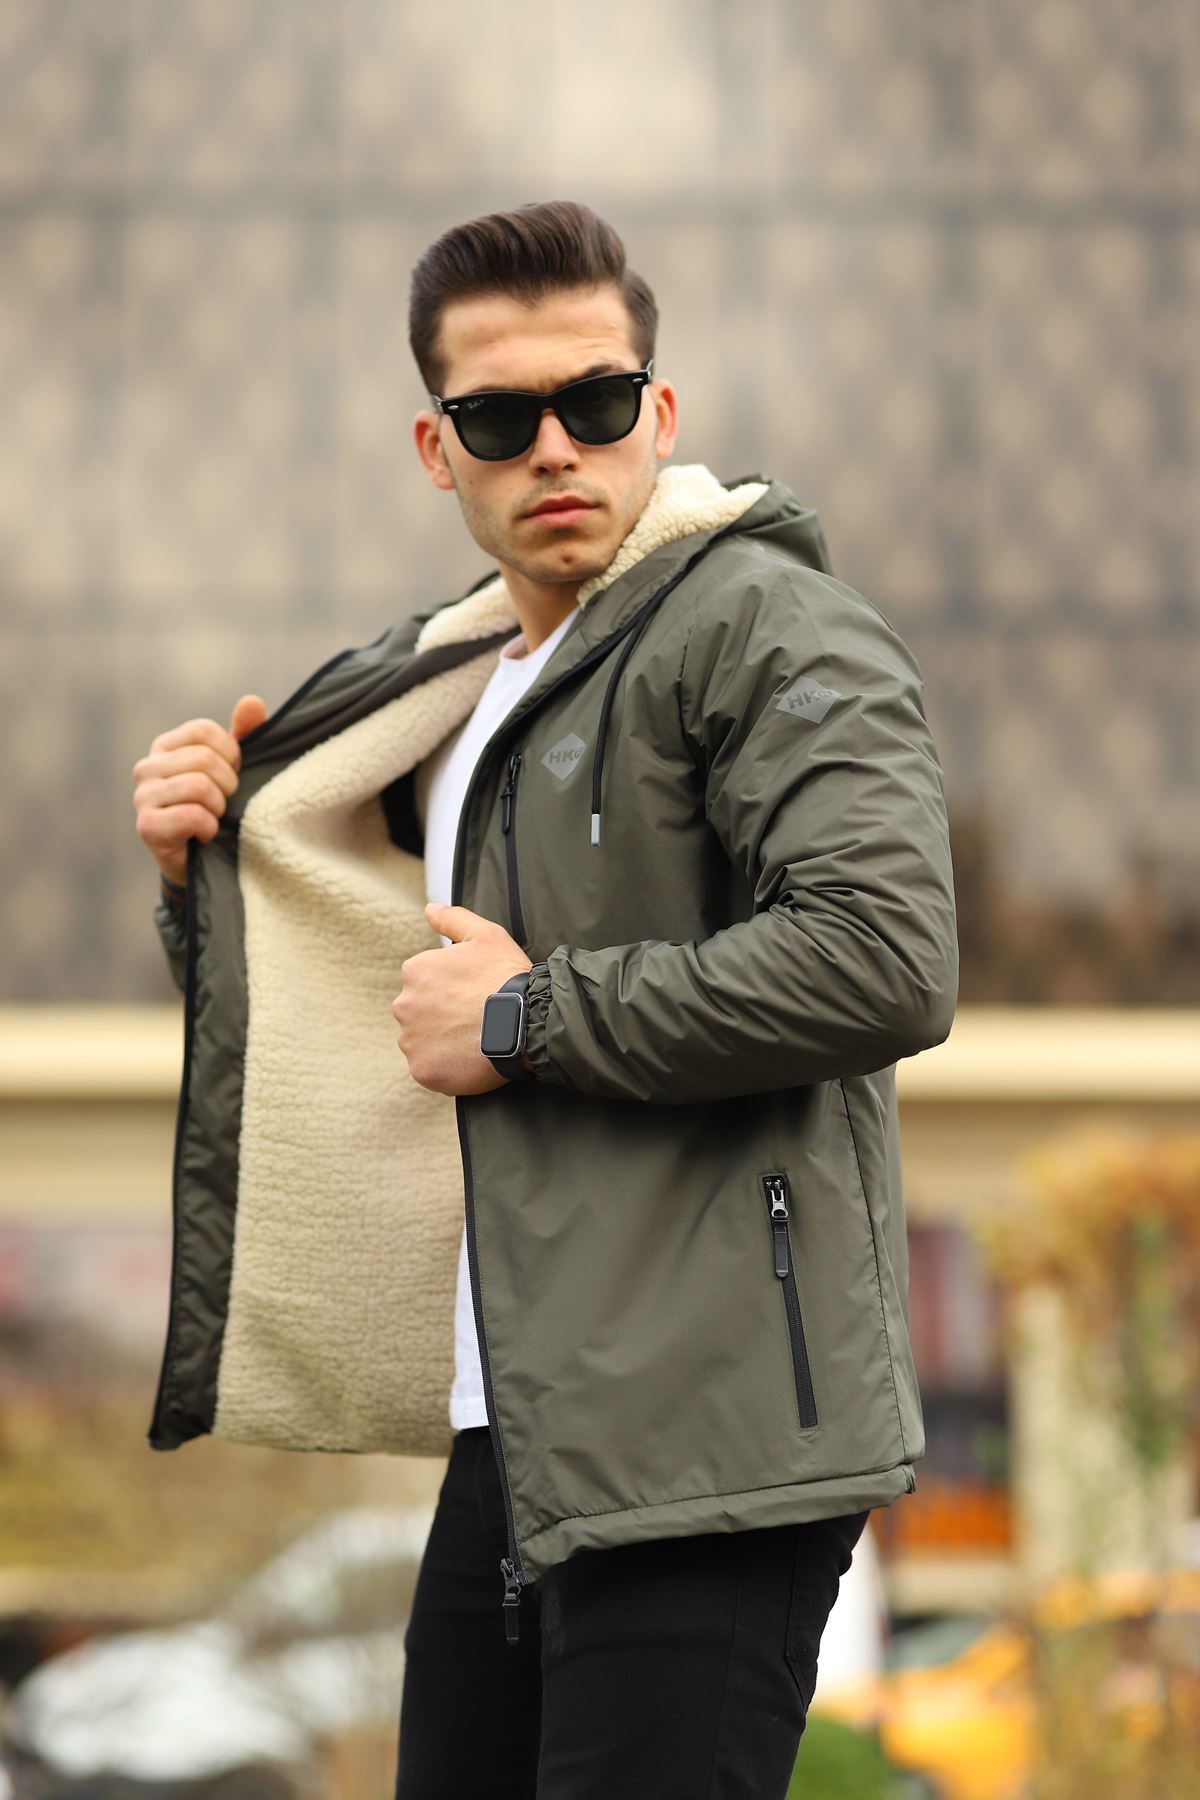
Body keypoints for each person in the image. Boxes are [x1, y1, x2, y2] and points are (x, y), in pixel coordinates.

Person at [131, 199, 958, 1798]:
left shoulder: (766, 623)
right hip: (516, 1426)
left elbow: (884, 954)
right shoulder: (454, 694)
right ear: (437, 449)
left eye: (596, 399)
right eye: (503, 419)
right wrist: (204, 874)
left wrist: (531, 1021)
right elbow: (371, 1025)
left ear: (661, 410)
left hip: (713, 1431)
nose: (557, 448)